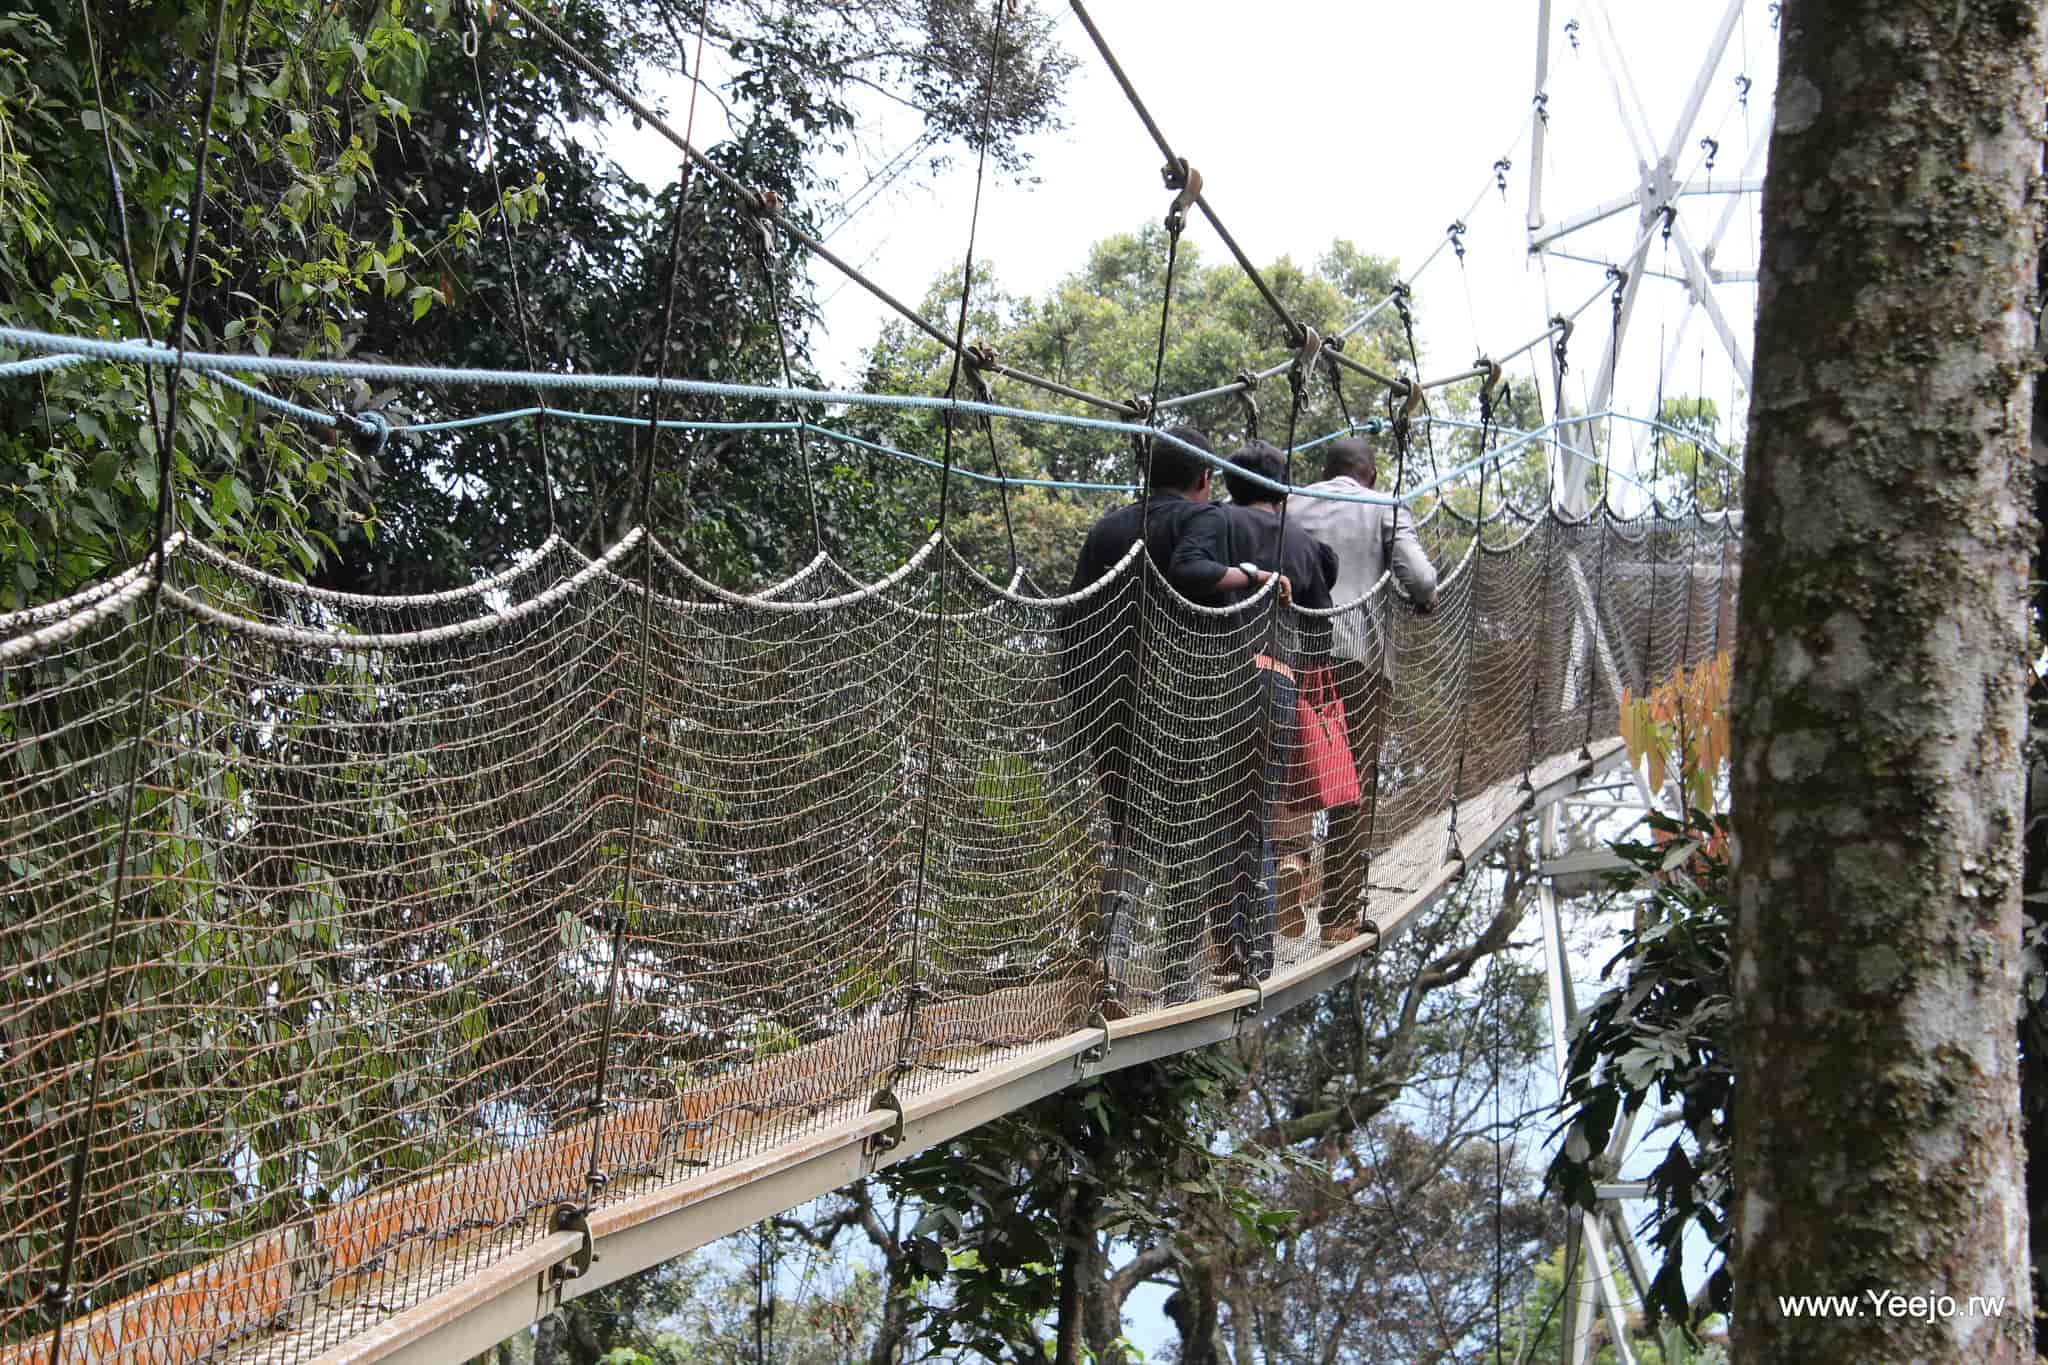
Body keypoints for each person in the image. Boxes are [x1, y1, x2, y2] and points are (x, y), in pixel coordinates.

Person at [1058, 426, 1284, 1008]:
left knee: (1130, 836)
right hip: (1184, 704)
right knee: (1189, 838)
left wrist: (1079, 700)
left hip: (1105, 702)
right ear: (1205, 479)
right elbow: (1194, 574)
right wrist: (1257, 578)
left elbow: (1073, 614)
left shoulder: (1109, 527)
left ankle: (1106, 968)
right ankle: (1178, 984)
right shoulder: (1202, 521)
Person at [1284, 436, 1437, 944]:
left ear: (1326, 469)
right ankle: (1337, 918)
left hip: (1285, 650)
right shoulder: (1383, 504)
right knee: (1351, 785)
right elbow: (1420, 577)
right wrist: (1423, 601)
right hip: (1357, 656)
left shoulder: (1288, 499)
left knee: (1287, 762)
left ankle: (1290, 856)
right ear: (1369, 473)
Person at [1213, 441, 1338, 972]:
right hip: (1278, 684)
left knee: (1212, 818)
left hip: (1214, 682)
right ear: (1282, 491)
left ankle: (1224, 949)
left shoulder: (1214, 527)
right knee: (1253, 819)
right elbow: (1321, 632)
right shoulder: (1305, 546)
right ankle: (1255, 956)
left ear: (1230, 483)